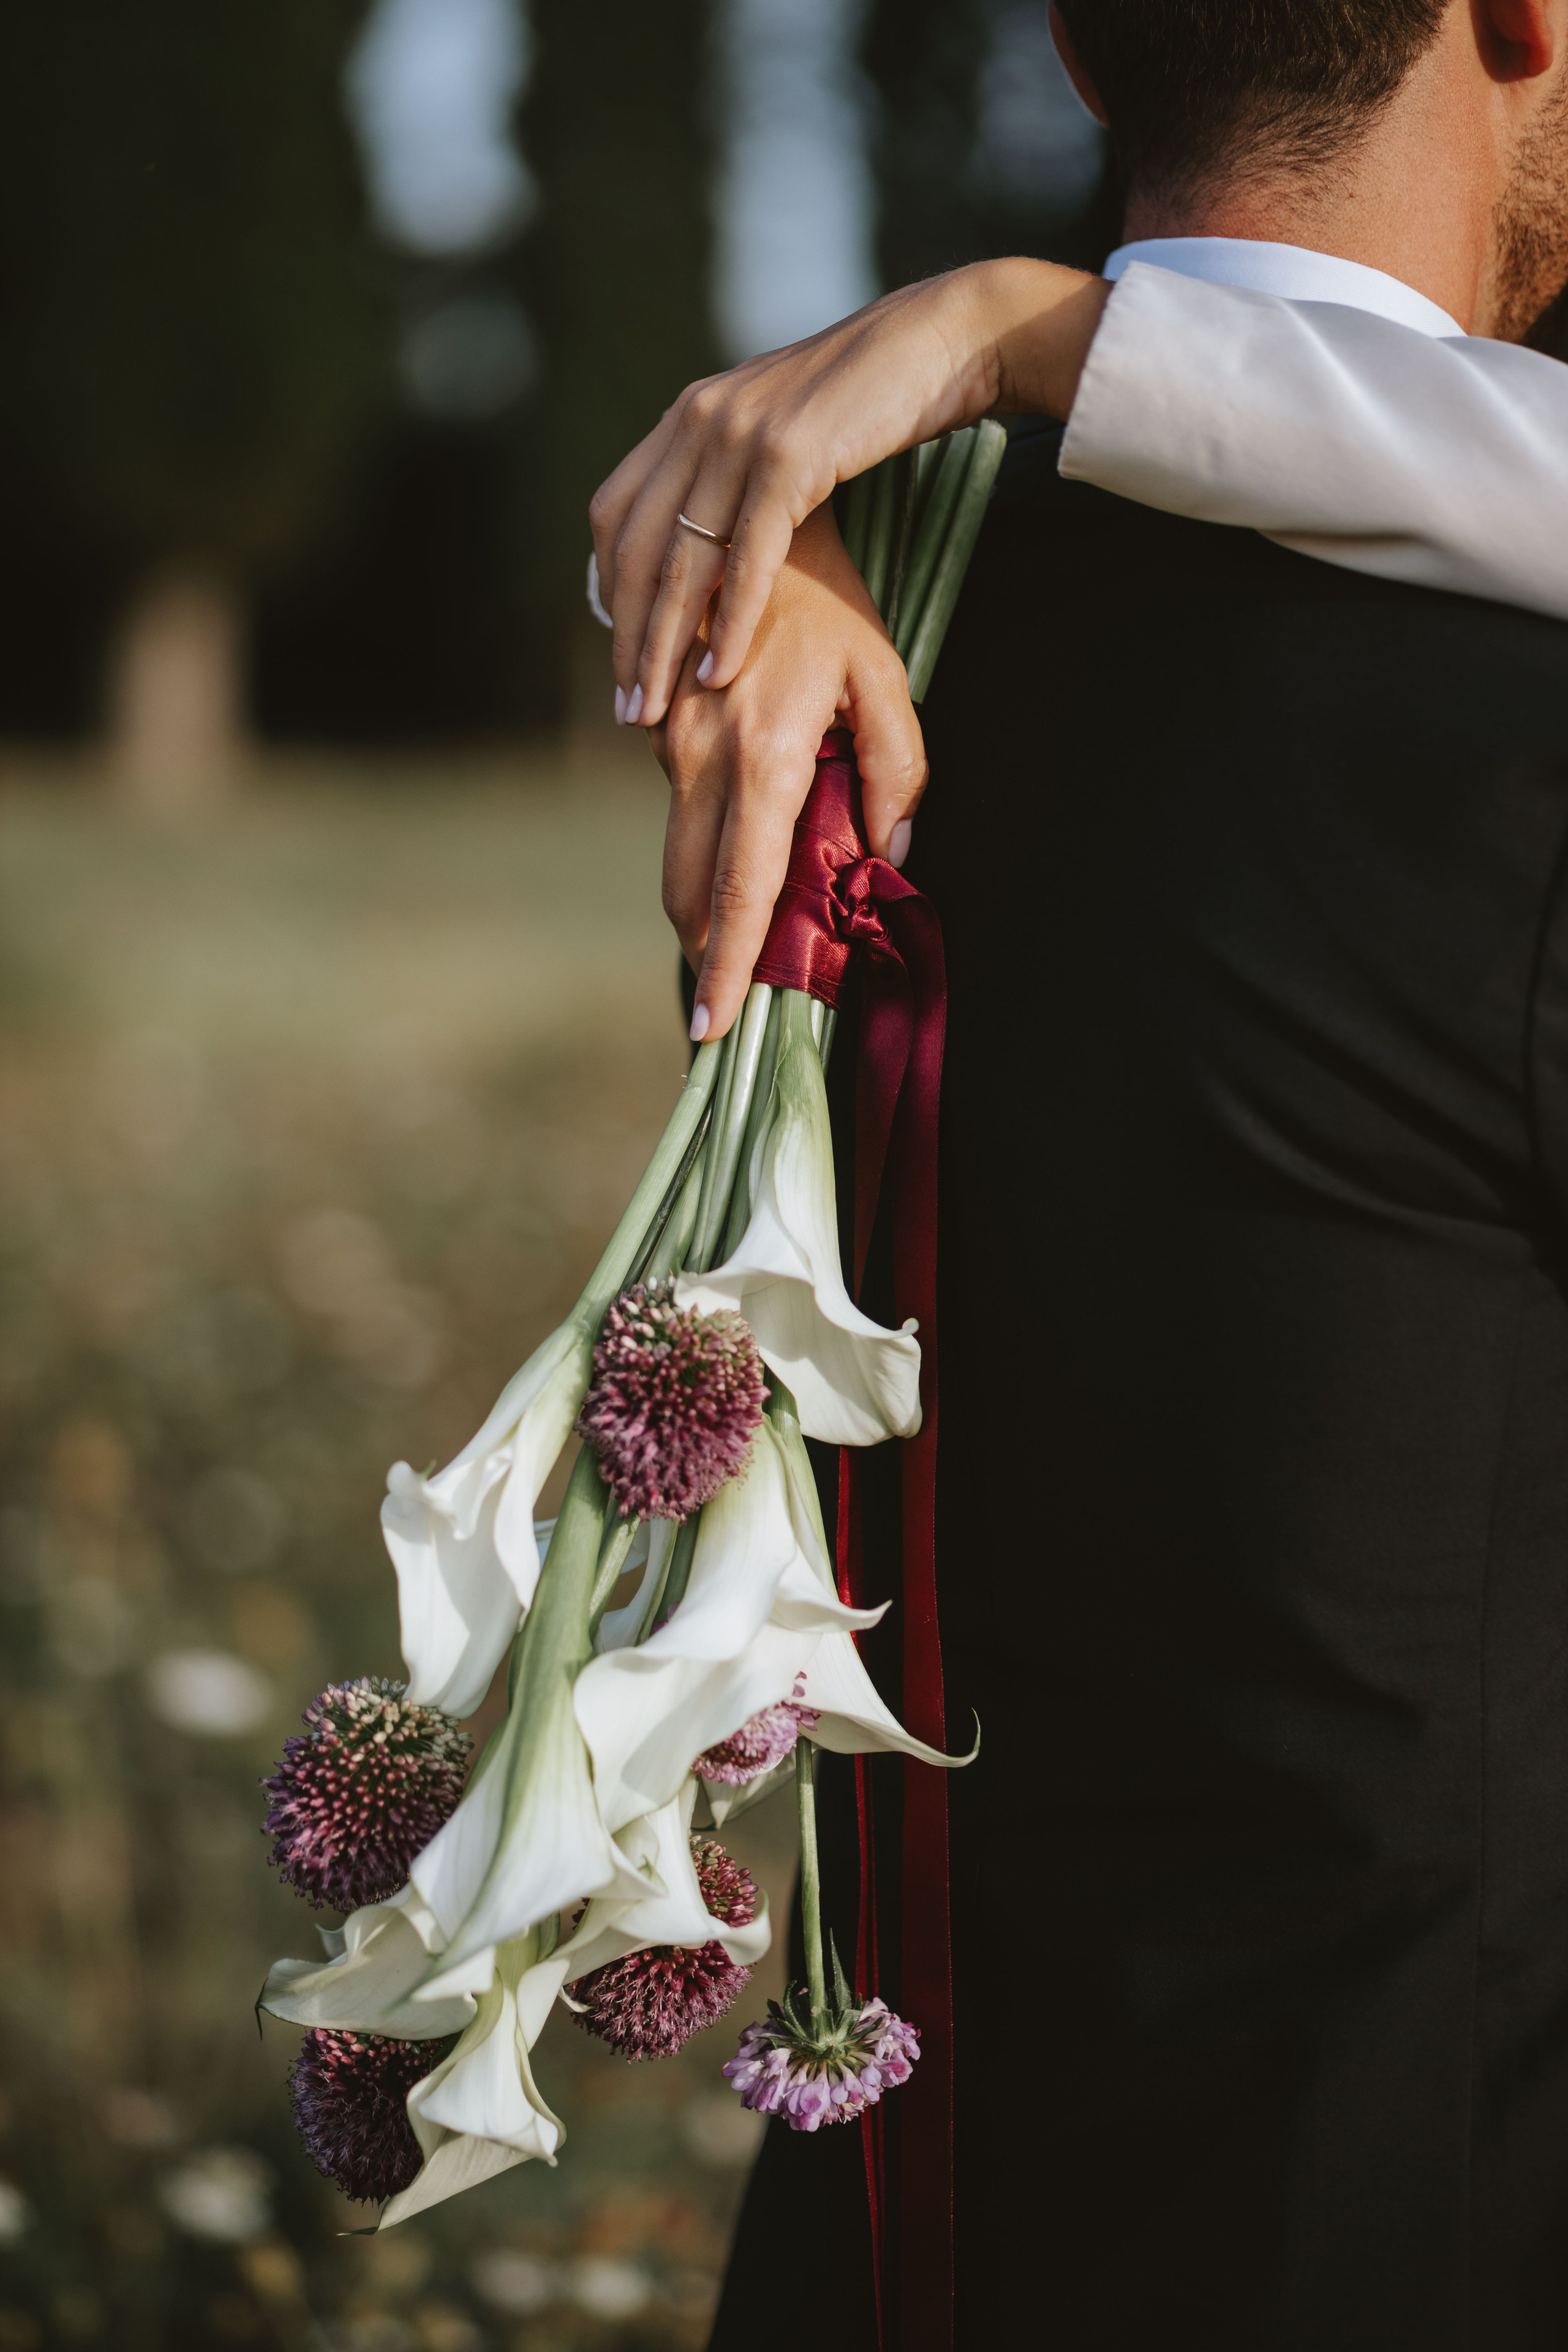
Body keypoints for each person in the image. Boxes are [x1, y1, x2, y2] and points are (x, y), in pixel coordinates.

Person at [600, 2, 1568, 2343]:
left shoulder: (843, 650)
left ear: (1079, 39)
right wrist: (1034, 340)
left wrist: (1024, 336)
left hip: (879, 2232)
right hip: (1384, 2231)